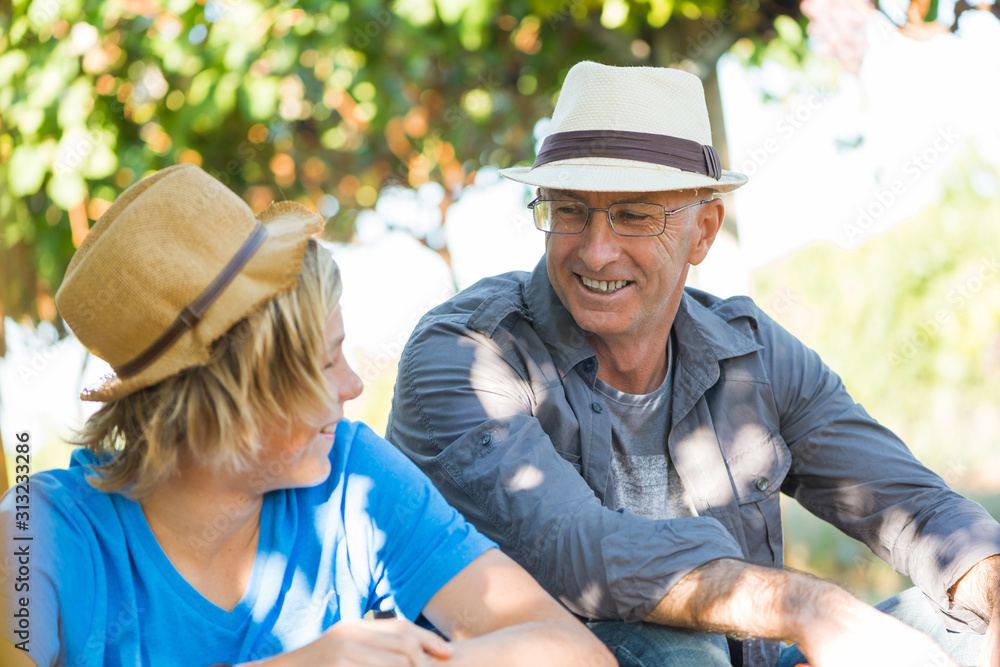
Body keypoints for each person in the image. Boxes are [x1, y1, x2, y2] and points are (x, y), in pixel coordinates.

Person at [386, 61, 1000, 667]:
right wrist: (810, 608)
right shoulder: (465, 354)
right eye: (570, 209)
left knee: (965, 627)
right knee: (677, 649)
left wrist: (991, 586)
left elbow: (918, 509)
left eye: (634, 215)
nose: (597, 252)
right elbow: (576, 552)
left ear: (704, 231)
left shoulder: (752, 352)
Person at [0, 164, 616, 667]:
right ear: (221, 397)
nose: (352, 386)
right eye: (324, 364)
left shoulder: (353, 477)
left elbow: (575, 654)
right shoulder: (39, 532)